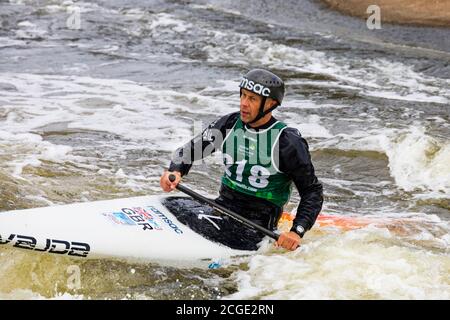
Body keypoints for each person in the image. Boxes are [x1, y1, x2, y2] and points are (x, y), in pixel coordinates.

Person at [160, 69, 323, 251]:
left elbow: (312, 192)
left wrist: (295, 231)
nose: (244, 104)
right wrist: (175, 170)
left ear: (270, 104)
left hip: (255, 226)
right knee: (169, 205)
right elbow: (191, 149)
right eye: (243, 96)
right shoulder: (230, 124)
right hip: (221, 207)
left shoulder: (287, 142)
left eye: (252, 99)